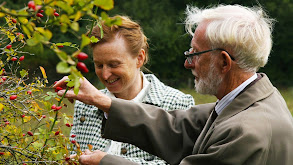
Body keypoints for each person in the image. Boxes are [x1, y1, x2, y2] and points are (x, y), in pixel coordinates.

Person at [55, 4, 293, 165]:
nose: (188, 64)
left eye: (196, 54)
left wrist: (104, 161)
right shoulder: (243, 104)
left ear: (223, 62)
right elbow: (175, 126)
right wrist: (100, 100)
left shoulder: (245, 131)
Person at [68, 15, 195, 164]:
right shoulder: (85, 105)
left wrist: (107, 162)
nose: (105, 74)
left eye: (114, 64)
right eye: (99, 65)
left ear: (139, 58)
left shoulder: (177, 105)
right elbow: (73, 153)